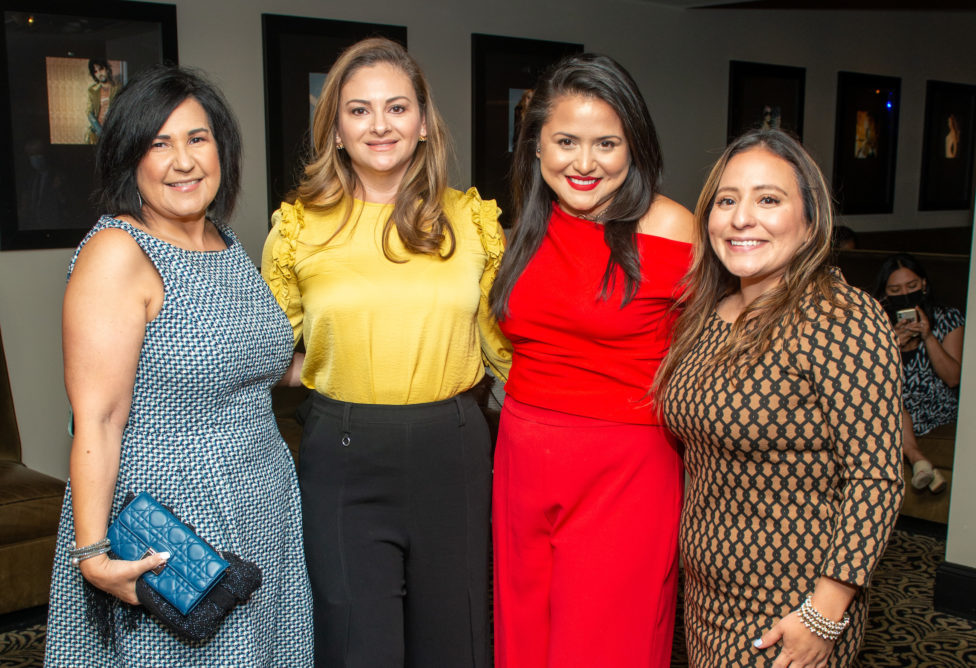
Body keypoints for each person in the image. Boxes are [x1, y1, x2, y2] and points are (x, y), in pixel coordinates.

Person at [44, 65, 313, 666]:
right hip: (174, 519)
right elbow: (98, 417)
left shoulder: (225, 241)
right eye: (159, 144)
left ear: (222, 149)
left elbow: (256, 365)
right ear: (129, 159)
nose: (184, 161)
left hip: (262, 497)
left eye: (197, 139)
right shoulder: (117, 252)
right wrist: (92, 555)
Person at [262, 37, 510, 667]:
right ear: (335, 130)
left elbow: (506, 350)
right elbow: (262, 351)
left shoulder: (472, 221)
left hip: (453, 446)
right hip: (343, 453)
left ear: (423, 123)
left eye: (397, 107)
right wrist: (324, 365)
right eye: (359, 110)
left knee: (454, 644)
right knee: (356, 644)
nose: (380, 125)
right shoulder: (298, 227)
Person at [657, 129, 904, 667]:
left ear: (811, 220)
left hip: (792, 606)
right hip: (705, 596)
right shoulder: (706, 313)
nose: (741, 218)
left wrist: (824, 613)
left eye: (768, 199)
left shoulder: (840, 317)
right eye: (726, 201)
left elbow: (876, 478)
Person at [489, 53, 695, 667]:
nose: (584, 163)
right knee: (526, 641)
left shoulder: (674, 229)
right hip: (523, 465)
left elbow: (718, 348)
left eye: (607, 143)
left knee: (605, 644)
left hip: (624, 474)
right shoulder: (523, 229)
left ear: (635, 146)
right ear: (536, 146)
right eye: (566, 142)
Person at [875, 252, 964, 493]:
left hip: (934, 406)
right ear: (885, 294)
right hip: (892, 407)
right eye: (896, 290)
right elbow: (868, 380)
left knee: (889, 410)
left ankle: (919, 462)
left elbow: (953, 378)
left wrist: (928, 336)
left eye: (912, 286)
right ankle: (919, 461)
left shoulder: (948, 318)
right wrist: (891, 345)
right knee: (889, 404)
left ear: (924, 284)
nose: (905, 294)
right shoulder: (876, 324)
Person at [86, 58, 121, 144]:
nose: (99, 74)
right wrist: (99, 131)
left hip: (113, 133)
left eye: (101, 69)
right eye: (95, 71)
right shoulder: (92, 91)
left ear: (107, 69)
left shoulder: (118, 88)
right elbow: (89, 112)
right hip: (96, 133)